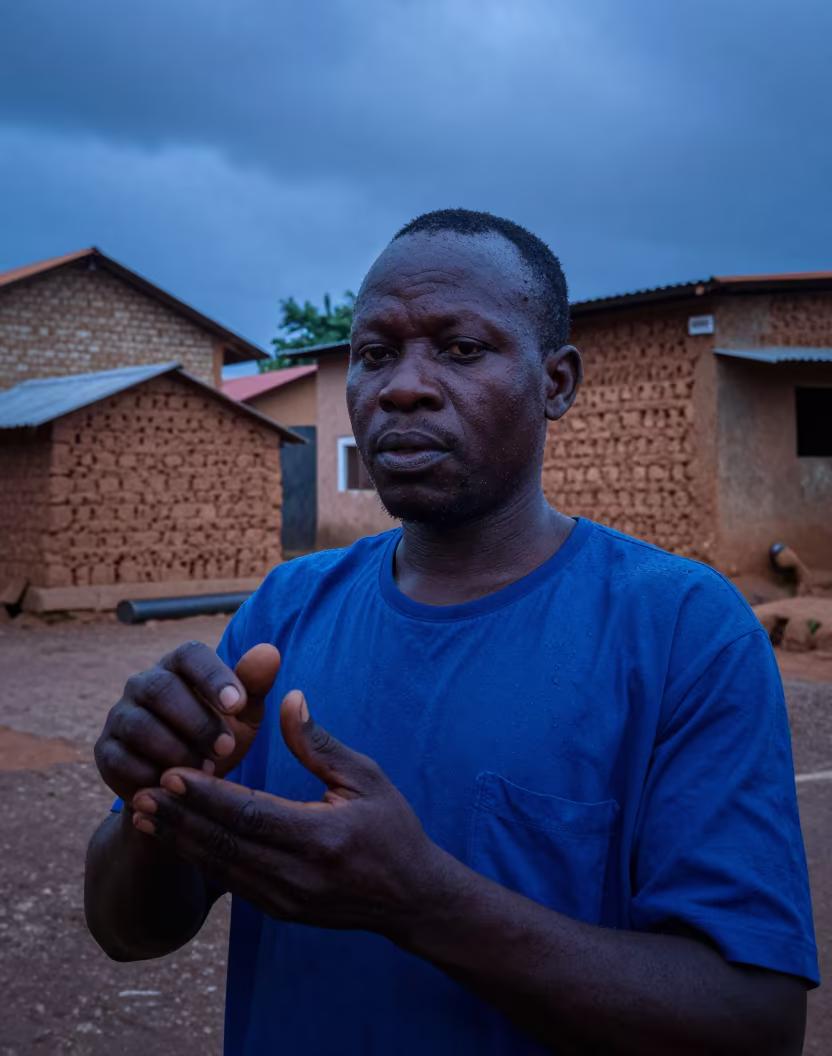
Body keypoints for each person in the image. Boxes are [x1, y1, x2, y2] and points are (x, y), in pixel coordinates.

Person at [85, 209, 817, 1055]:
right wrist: (151, 807)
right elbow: (126, 931)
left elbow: (753, 1025)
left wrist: (420, 900)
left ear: (558, 383)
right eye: (373, 353)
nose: (402, 387)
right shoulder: (287, 611)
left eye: (461, 349)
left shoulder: (683, 630)